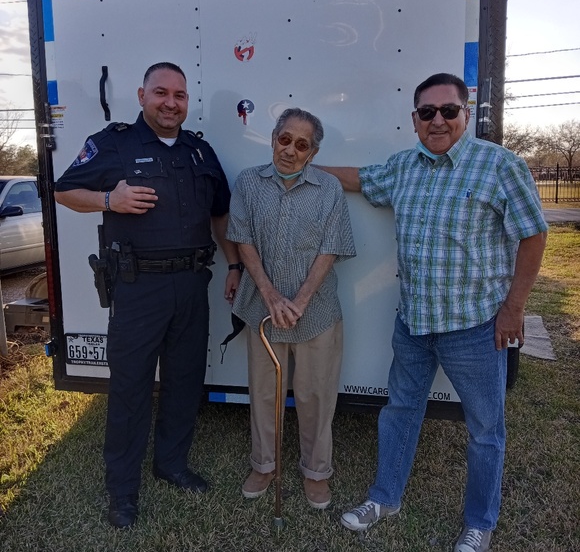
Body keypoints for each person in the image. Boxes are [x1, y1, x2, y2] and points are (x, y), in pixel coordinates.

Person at [318, 73, 547, 552]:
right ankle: (384, 498)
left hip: (475, 327)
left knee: (485, 430)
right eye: (427, 112)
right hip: (414, 323)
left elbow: (533, 234)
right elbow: (359, 179)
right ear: (415, 119)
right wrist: (303, 163)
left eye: (448, 110)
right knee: (400, 412)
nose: (437, 120)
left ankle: (479, 523)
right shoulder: (404, 166)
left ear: (466, 113)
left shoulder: (499, 165)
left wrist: (515, 308)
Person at [54, 62, 241, 528]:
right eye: (161, 93)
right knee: (130, 388)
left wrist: (235, 263)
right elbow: (64, 190)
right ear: (142, 96)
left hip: (191, 284)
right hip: (138, 289)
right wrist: (108, 200)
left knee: (185, 381)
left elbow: (220, 214)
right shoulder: (114, 143)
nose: (170, 103)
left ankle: (171, 464)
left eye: (179, 95)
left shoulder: (199, 150)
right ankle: (122, 490)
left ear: (187, 101)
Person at [226, 108, 356, 509]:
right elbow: (243, 239)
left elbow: (331, 248)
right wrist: (270, 295)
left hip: (315, 314)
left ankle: (316, 471)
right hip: (263, 311)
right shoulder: (248, 182)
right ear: (273, 139)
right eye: (285, 139)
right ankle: (264, 465)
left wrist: (299, 302)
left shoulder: (328, 189)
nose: (290, 150)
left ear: (312, 153)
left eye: (302, 145)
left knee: (316, 396)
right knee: (264, 394)